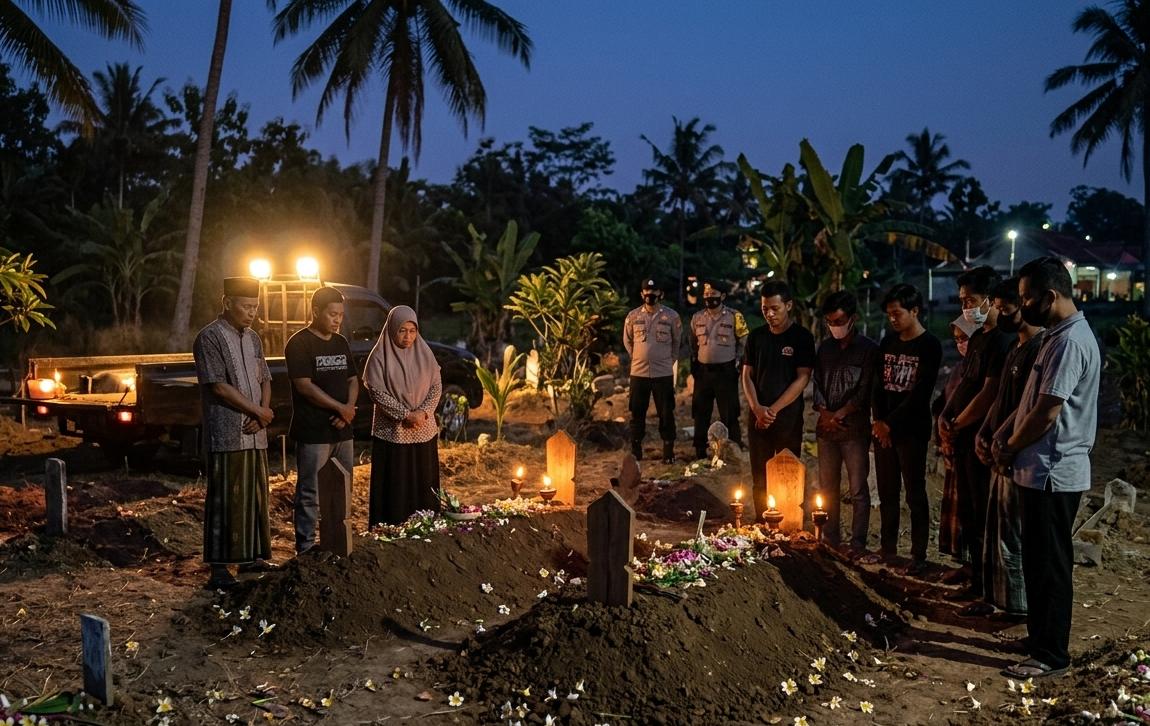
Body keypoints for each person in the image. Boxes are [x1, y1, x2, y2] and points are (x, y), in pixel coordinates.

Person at [994, 257, 1100, 679]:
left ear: (1050, 297)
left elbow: (1046, 412)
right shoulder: (1057, 337)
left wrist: (1010, 447)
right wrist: (1006, 435)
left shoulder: (1071, 341)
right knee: (1037, 560)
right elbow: (1030, 403)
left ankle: (1051, 654)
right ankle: (1039, 637)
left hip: (1054, 472)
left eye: (1026, 298)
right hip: (1039, 470)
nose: (1022, 306)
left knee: (1051, 564)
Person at [958, 277, 1045, 618]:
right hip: (998, 448)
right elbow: (999, 399)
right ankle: (996, 597)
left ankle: (1017, 607)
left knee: (1015, 537)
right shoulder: (1015, 348)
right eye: (996, 307)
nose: (1000, 314)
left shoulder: (1039, 349)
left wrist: (1004, 440)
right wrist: (984, 431)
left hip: (1018, 454)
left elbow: (1029, 406)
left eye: (1004, 308)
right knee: (996, 530)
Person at [193, 276, 275, 589]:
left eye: (255, 306)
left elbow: (265, 378)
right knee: (225, 498)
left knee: (255, 496)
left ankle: (251, 558)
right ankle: (218, 569)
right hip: (228, 432)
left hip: (256, 433)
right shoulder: (209, 337)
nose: (252, 312)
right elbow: (218, 386)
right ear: (227, 303)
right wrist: (257, 412)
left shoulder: (254, 338)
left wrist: (263, 412)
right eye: (246, 306)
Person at [940, 266, 1015, 598]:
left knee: (984, 514)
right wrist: (946, 415)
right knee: (968, 511)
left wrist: (958, 423)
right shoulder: (978, 336)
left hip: (981, 439)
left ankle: (986, 586)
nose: (965, 307)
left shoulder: (1002, 340)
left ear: (990, 299)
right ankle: (973, 573)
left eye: (970, 300)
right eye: (961, 301)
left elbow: (989, 392)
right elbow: (965, 380)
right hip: (962, 436)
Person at [868, 283, 941, 575]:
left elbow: (920, 393)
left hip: (911, 430)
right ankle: (888, 548)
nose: (893, 319)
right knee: (888, 491)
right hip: (883, 430)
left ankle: (918, 554)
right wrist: (878, 422)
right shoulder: (887, 342)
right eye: (889, 314)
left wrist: (890, 424)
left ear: (914, 311)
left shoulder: (929, 345)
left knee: (914, 493)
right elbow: (877, 386)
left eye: (897, 313)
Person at [284, 287, 358, 555]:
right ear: (316, 311)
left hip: (342, 430)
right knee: (310, 491)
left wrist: (348, 409)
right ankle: (305, 547)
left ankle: (338, 542)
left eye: (341, 315)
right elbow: (304, 386)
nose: (337, 320)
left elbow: (353, 379)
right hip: (313, 430)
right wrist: (340, 408)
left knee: (343, 488)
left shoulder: (340, 342)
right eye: (332, 314)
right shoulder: (299, 343)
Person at [741, 280, 815, 520]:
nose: (770, 314)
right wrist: (756, 408)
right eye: (765, 309)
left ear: (788, 306)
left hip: (787, 418)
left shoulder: (802, 338)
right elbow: (746, 375)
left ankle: (787, 523)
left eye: (775, 308)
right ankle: (762, 523)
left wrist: (772, 410)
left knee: (787, 472)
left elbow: (803, 378)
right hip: (758, 417)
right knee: (759, 475)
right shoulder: (756, 337)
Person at [812, 290, 878, 554]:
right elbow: (817, 384)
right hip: (826, 430)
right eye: (830, 322)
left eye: (839, 321)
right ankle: (831, 539)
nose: (834, 327)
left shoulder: (868, 350)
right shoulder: (824, 348)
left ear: (853, 319)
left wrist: (840, 414)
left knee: (858, 489)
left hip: (854, 431)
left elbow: (865, 391)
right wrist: (826, 414)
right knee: (828, 488)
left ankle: (857, 544)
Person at [363, 305, 442, 525]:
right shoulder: (379, 356)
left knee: (423, 479)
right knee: (396, 481)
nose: (408, 337)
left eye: (412, 331)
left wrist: (423, 412)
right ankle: (393, 526)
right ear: (391, 330)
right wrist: (406, 415)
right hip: (393, 432)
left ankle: (425, 524)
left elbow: (436, 386)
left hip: (424, 429)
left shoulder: (425, 353)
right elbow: (376, 391)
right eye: (402, 331)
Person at [936, 314, 980, 568]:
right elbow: (944, 403)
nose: (961, 344)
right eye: (957, 339)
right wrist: (943, 435)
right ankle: (963, 564)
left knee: (973, 510)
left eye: (966, 338)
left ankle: (975, 569)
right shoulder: (958, 370)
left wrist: (956, 427)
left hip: (972, 445)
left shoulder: (982, 370)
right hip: (953, 444)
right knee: (959, 509)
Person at [623, 278, 682, 463]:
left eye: (654, 291)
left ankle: (668, 451)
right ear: (642, 294)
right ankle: (636, 450)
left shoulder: (672, 317)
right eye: (647, 291)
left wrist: (667, 361)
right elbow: (627, 341)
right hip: (638, 373)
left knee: (666, 412)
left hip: (663, 373)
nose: (650, 295)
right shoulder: (633, 316)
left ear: (660, 294)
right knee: (637, 412)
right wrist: (638, 357)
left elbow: (676, 343)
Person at [689, 281, 749, 459]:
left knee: (729, 412)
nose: (709, 297)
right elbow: (693, 344)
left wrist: (738, 362)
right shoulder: (697, 318)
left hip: (726, 372)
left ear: (722, 296)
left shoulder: (734, 316)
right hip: (703, 373)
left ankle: (734, 449)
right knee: (700, 412)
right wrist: (695, 363)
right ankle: (700, 450)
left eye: (713, 293)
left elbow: (744, 342)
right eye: (706, 294)